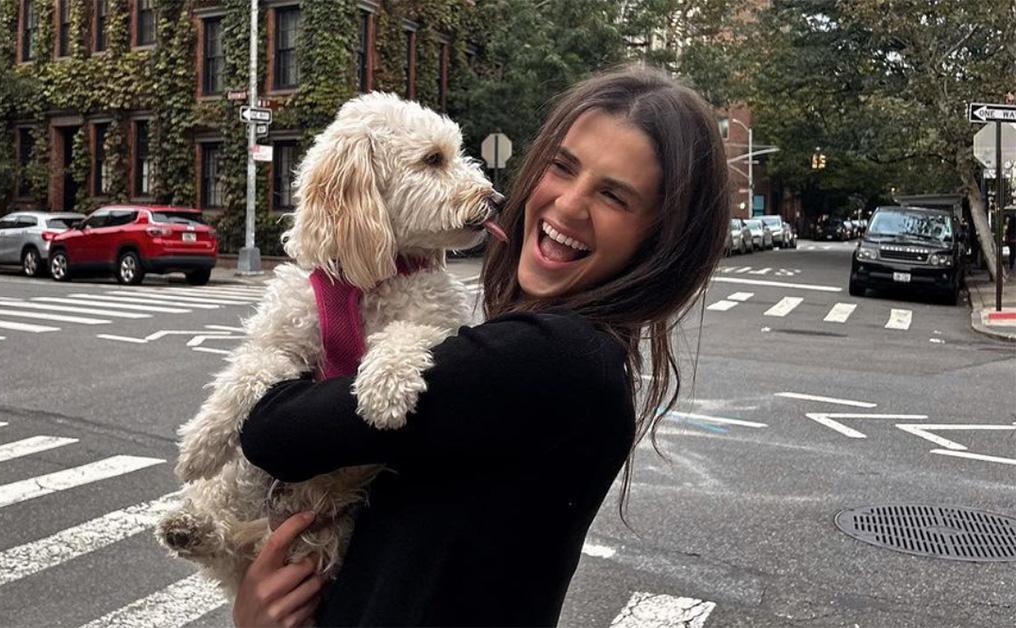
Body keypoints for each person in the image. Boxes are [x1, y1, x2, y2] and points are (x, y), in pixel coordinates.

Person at [231, 64, 731, 627]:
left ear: (662, 239)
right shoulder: (586, 358)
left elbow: (272, 431)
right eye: (562, 167)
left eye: (613, 196)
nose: (567, 206)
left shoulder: (552, 358)